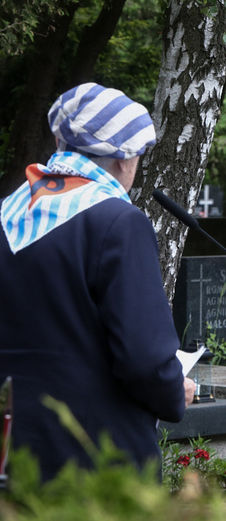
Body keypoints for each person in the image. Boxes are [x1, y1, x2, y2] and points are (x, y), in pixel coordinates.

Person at [0, 83, 194, 482]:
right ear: (125, 158)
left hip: (11, 446)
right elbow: (144, 360)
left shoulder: (8, 212)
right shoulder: (117, 222)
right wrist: (175, 390)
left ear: (60, 141)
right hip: (94, 453)